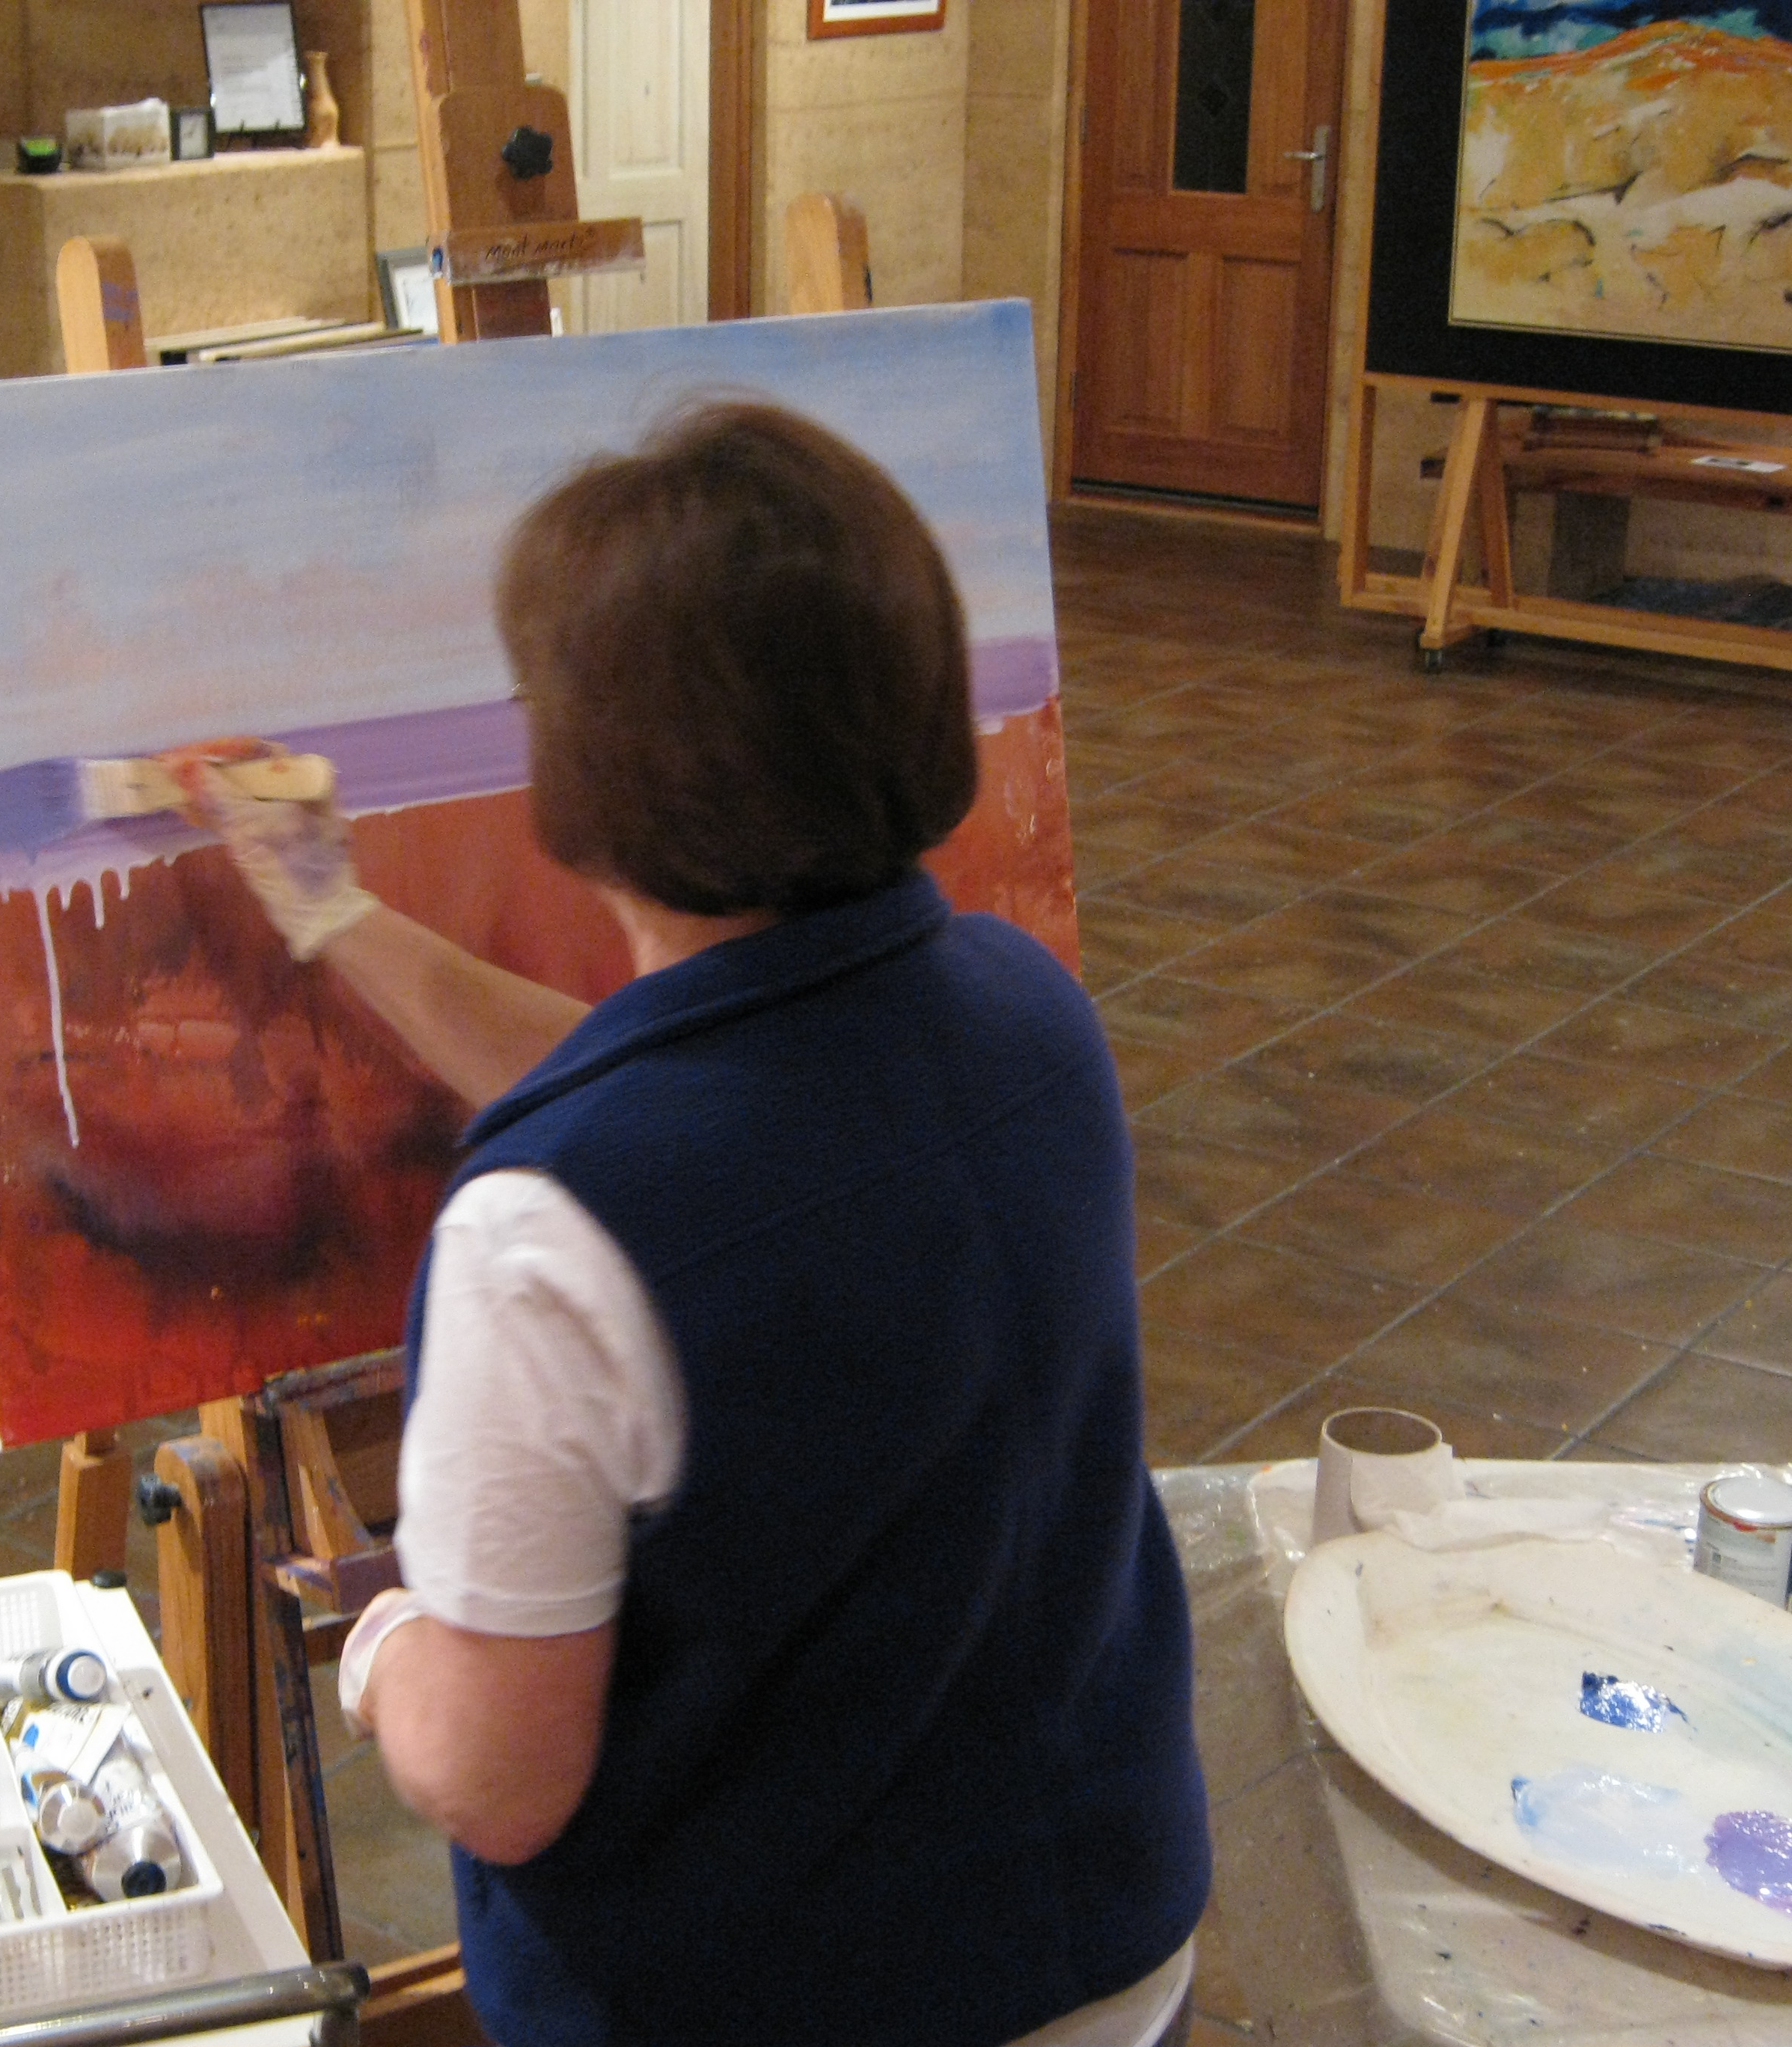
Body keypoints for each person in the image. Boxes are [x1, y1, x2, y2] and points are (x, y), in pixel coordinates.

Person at [175, 402, 1209, 2047]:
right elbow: (675, 1080)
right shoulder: (1030, 1016)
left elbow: (500, 1782)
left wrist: (387, 1651)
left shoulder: (545, 1238)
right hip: (1110, 1944)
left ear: (591, 778)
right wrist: (333, 913)